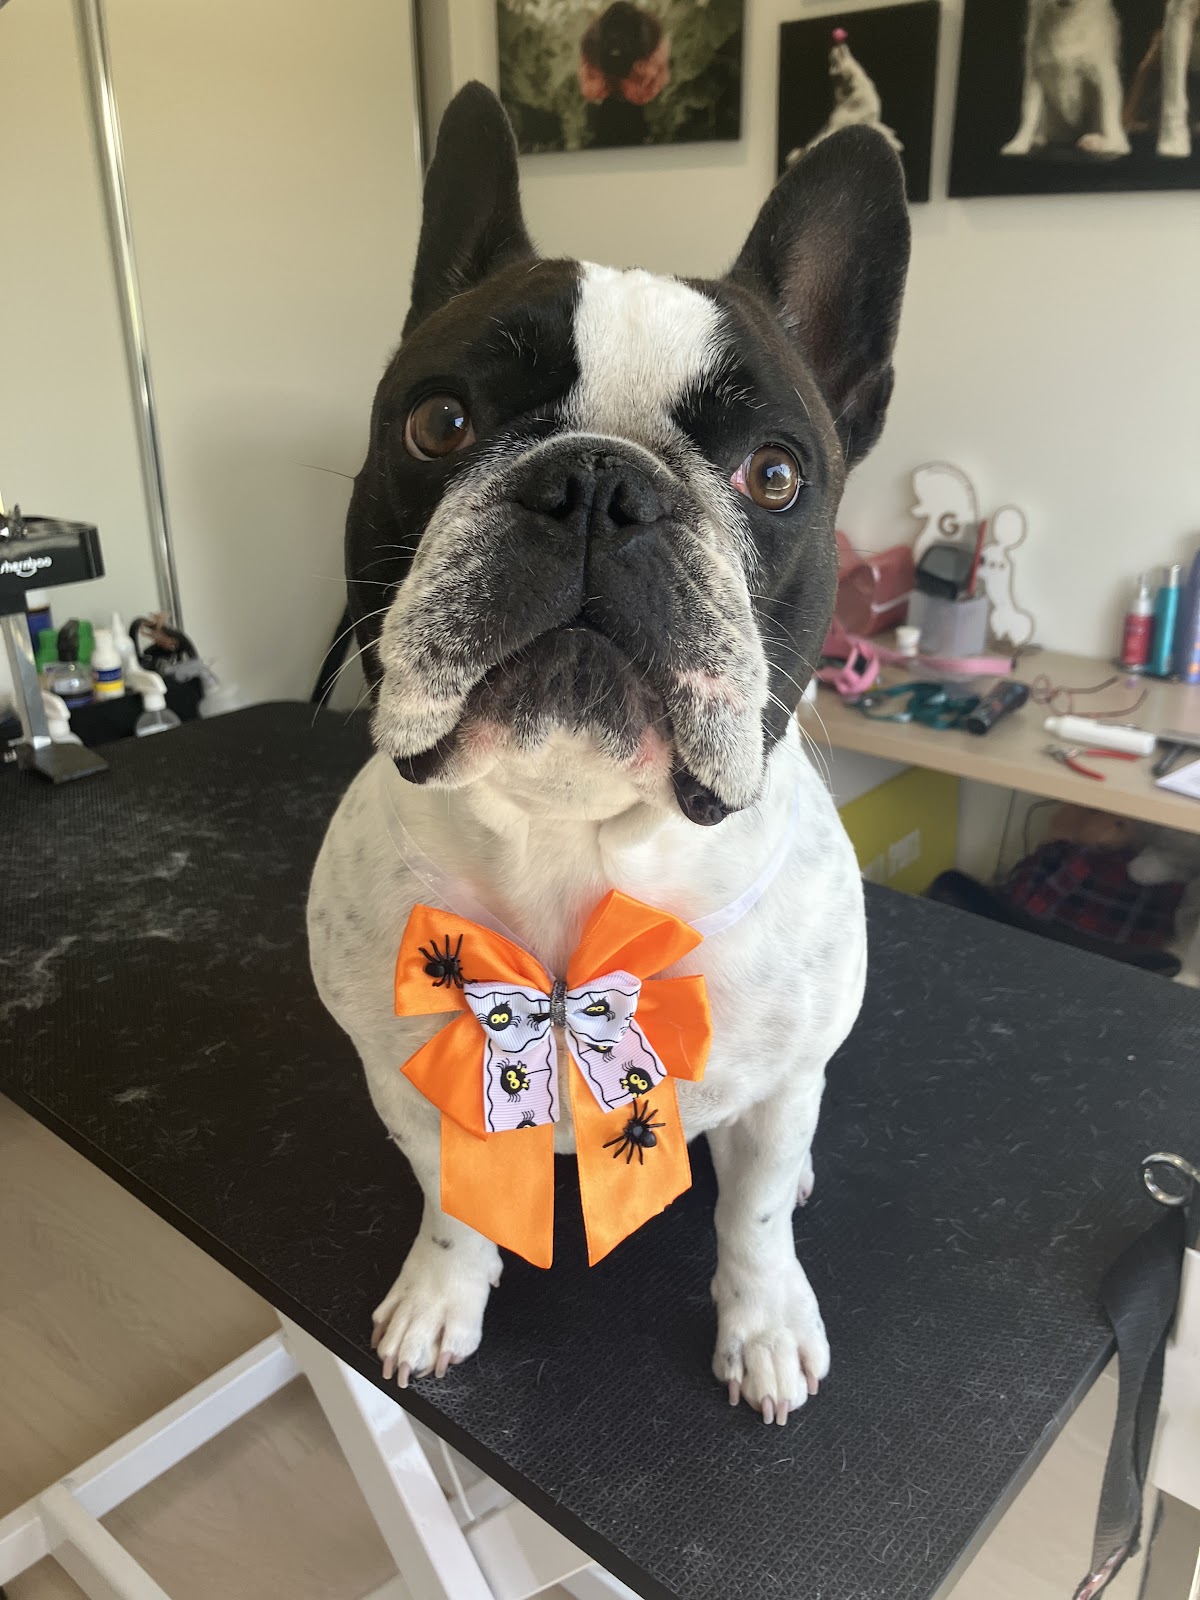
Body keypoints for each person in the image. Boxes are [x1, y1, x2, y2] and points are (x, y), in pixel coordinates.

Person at [578, 2, 671, 147]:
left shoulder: (651, 35)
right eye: (612, 34)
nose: (617, 41)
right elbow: (591, 90)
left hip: (638, 110)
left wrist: (631, 79)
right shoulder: (591, 43)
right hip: (607, 111)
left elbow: (648, 90)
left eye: (623, 35)